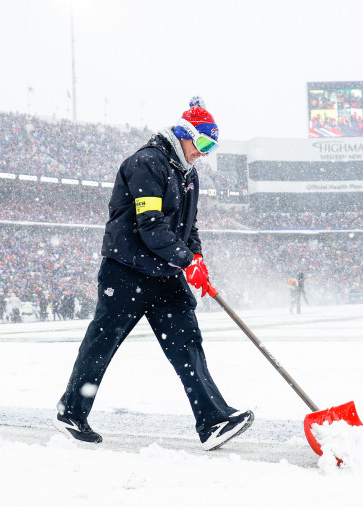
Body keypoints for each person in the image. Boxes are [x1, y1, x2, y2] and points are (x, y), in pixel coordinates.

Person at [55, 97, 253, 451]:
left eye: (212, 148)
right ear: (185, 135)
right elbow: (150, 225)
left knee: (187, 343)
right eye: (203, 144)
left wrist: (197, 257)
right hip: (126, 271)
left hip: (164, 274)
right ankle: (72, 410)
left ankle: (212, 421)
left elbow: (189, 227)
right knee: (103, 342)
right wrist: (185, 260)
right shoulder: (146, 163)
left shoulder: (188, 175)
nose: (204, 154)